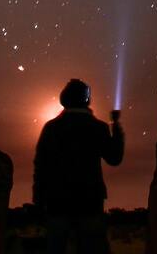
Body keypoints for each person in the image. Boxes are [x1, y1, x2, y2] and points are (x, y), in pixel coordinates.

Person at [33, 78, 125, 254]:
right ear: (87, 99)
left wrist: (39, 199)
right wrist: (116, 127)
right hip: (89, 200)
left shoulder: (52, 128)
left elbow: (41, 166)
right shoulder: (98, 127)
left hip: (57, 200)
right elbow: (115, 158)